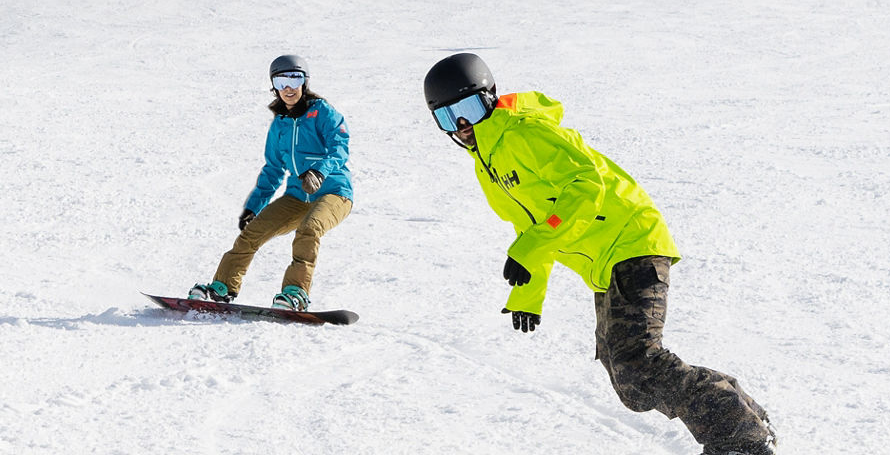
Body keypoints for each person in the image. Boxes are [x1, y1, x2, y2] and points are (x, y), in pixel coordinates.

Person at [420, 53, 776, 455]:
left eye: (467, 109)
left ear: (490, 99)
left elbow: (588, 185)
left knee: (638, 359)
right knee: (628, 380)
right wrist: (527, 295)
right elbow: (532, 229)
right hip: (607, 262)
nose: (463, 126)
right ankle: (739, 409)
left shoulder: (524, 133)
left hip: (631, 240)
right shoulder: (488, 163)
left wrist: (533, 246)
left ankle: (741, 438)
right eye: (449, 118)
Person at [189, 55, 355, 311]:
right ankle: (221, 288)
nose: (288, 87)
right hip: (297, 196)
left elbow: (339, 148)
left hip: (334, 193)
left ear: (305, 81)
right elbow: (273, 169)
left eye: (294, 78)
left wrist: (320, 172)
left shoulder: (323, 113)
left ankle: (295, 293)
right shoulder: (280, 124)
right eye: (281, 80)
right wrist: (254, 207)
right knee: (252, 232)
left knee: (309, 229)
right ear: (274, 86)